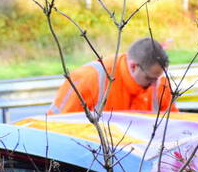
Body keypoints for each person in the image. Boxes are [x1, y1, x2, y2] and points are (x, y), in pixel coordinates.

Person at [47, 37, 178, 115]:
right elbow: (58, 128)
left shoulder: (160, 81)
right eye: (149, 79)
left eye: (157, 78)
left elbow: (173, 126)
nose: (155, 84)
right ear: (133, 66)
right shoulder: (88, 79)